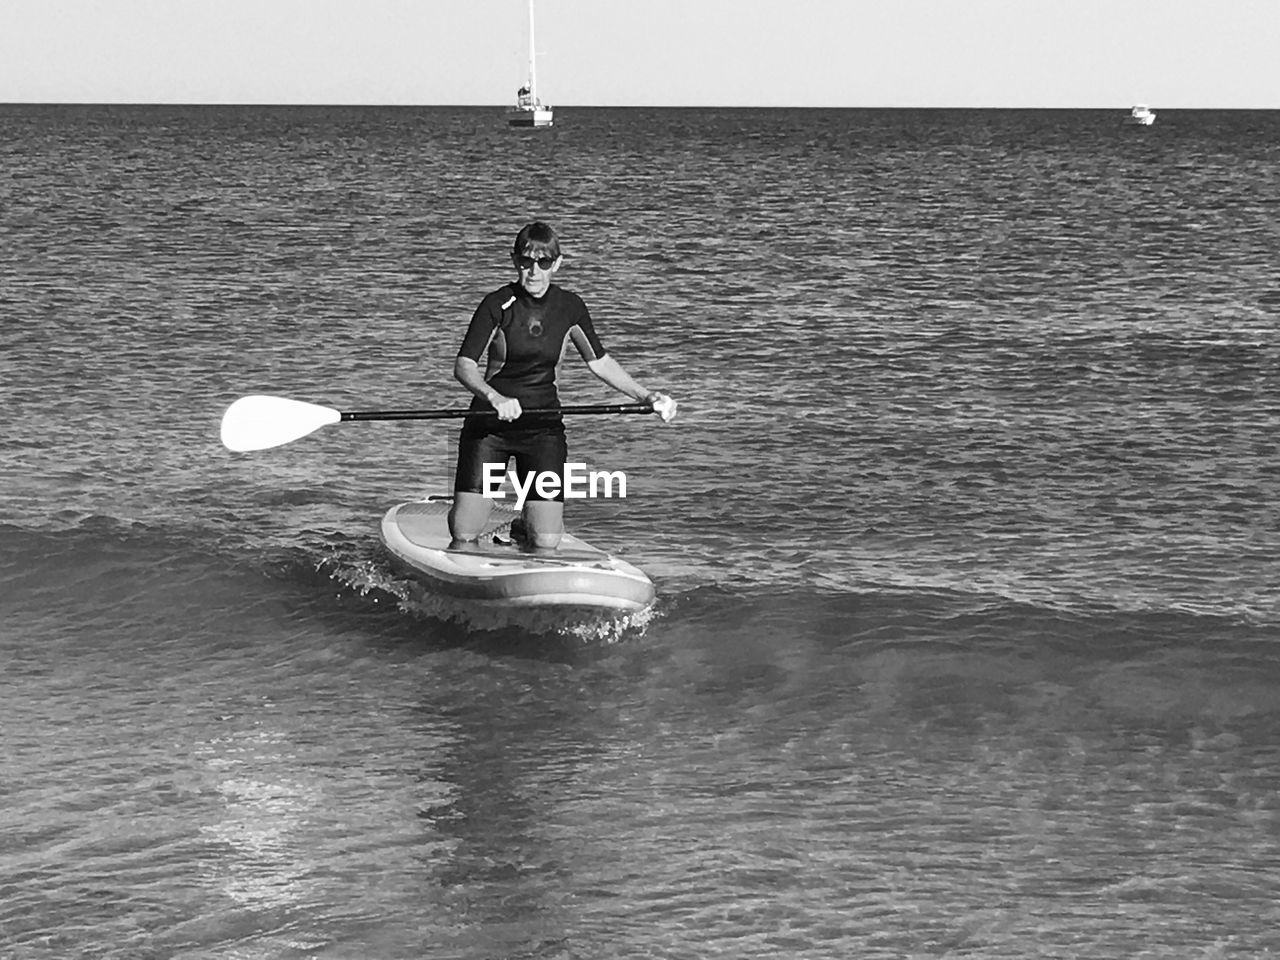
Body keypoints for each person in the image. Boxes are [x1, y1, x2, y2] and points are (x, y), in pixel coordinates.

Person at [447, 222, 677, 550]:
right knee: (464, 533)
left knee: (547, 539)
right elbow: (464, 365)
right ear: (515, 262)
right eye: (526, 262)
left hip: (543, 430)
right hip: (489, 429)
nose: (534, 272)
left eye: (543, 263)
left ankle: (523, 525)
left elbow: (600, 362)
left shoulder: (570, 308)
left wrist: (644, 395)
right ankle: (466, 514)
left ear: (557, 264)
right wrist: (493, 397)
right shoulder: (496, 304)